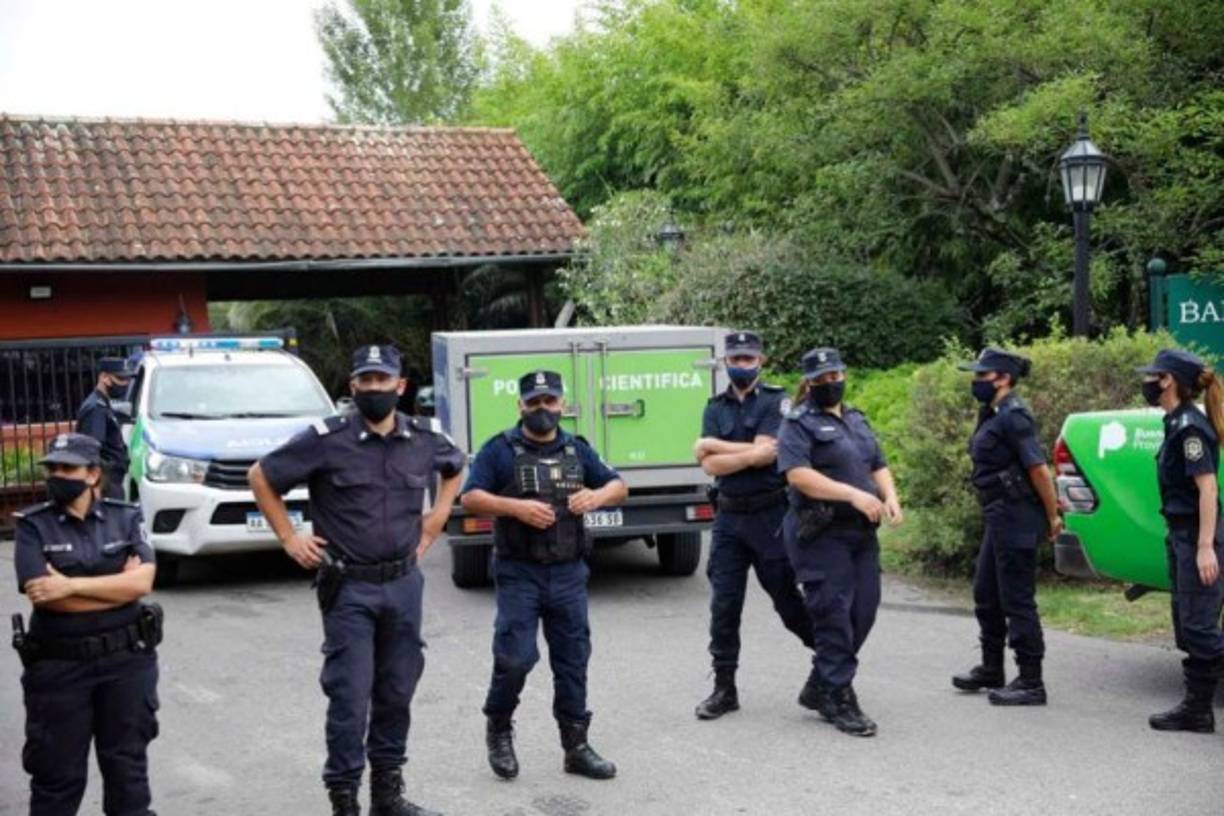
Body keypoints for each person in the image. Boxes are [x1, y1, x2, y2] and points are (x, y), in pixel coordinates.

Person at [249, 344, 465, 816]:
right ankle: (344, 799)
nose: (373, 389)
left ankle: (387, 796)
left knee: (397, 690)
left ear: (400, 387)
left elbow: (456, 465)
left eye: (382, 381)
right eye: (364, 381)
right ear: (352, 387)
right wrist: (288, 537)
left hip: (404, 585)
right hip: (350, 588)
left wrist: (439, 515)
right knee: (349, 695)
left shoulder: (424, 437)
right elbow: (261, 476)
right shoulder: (325, 439)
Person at [461, 370, 628, 782]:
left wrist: (596, 495)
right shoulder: (499, 450)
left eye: (549, 402)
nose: (542, 410)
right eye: (533, 402)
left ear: (561, 404)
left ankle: (576, 747)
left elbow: (619, 486)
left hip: (569, 571)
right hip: (520, 571)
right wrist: (515, 508)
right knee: (515, 658)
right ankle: (499, 728)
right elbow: (471, 496)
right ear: (520, 406)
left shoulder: (577, 448)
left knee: (573, 661)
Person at [12, 432, 161, 816]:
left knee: (127, 773)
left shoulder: (125, 517)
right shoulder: (33, 526)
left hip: (126, 662)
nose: (57, 475)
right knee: (57, 779)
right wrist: (117, 587)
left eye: (68, 468)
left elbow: (142, 582)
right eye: (53, 468)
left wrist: (70, 584)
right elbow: (43, 595)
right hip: (60, 669)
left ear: (93, 475)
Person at [776, 347, 902, 737]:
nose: (832, 384)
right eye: (823, 380)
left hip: (861, 535)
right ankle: (837, 696)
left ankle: (820, 683)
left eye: (836, 376)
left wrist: (890, 497)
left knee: (862, 612)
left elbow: (877, 464)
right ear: (810, 384)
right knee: (832, 614)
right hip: (820, 534)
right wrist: (852, 495)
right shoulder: (797, 423)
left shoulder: (856, 419)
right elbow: (797, 475)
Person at [692, 331, 815, 720]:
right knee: (724, 606)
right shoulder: (714, 406)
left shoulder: (774, 401)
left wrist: (715, 447)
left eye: (748, 359)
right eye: (735, 359)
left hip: (769, 516)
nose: (741, 365)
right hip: (728, 518)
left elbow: (769, 454)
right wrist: (747, 452)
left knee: (786, 599)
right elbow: (709, 466)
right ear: (725, 361)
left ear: (761, 361)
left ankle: (833, 662)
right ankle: (724, 689)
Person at [952, 348, 1062, 706]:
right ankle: (991, 667)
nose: (976, 381)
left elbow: (1039, 470)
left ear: (1002, 378)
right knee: (986, 592)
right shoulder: (991, 413)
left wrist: (1053, 516)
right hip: (998, 515)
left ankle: (1031, 681)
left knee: (1017, 599)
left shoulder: (1015, 416)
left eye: (982, 376)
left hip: (1016, 515)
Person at [1139, 348, 1224, 733]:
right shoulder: (1174, 422)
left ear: (1168, 380)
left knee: (1202, 628)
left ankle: (1198, 708)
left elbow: (1207, 488)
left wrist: (1205, 546)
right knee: (1190, 626)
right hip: (1181, 535)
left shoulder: (1190, 427)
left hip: (1196, 537)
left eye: (1152, 376)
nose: (1146, 382)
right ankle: (1197, 710)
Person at [76, 357, 135, 500]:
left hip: (111, 482)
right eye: (121, 379)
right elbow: (92, 451)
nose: (125, 384)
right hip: (105, 485)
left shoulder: (102, 405)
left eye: (127, 379)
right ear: (104, 377)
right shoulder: (96, 409)